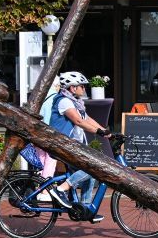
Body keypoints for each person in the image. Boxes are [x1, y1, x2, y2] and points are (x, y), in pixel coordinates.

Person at [46, 71, 111, 218]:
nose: (84, 89)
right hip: (61, 145)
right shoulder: (64, 101)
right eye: (82, 86)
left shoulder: (76, 103)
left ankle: (86, 209)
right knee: (93, 167)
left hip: (72, 146)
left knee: (91, 171)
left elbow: (87, 119)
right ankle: (60, 189)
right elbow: (79, 121)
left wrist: (105, 131)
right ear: (72, 88)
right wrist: (99, 132)